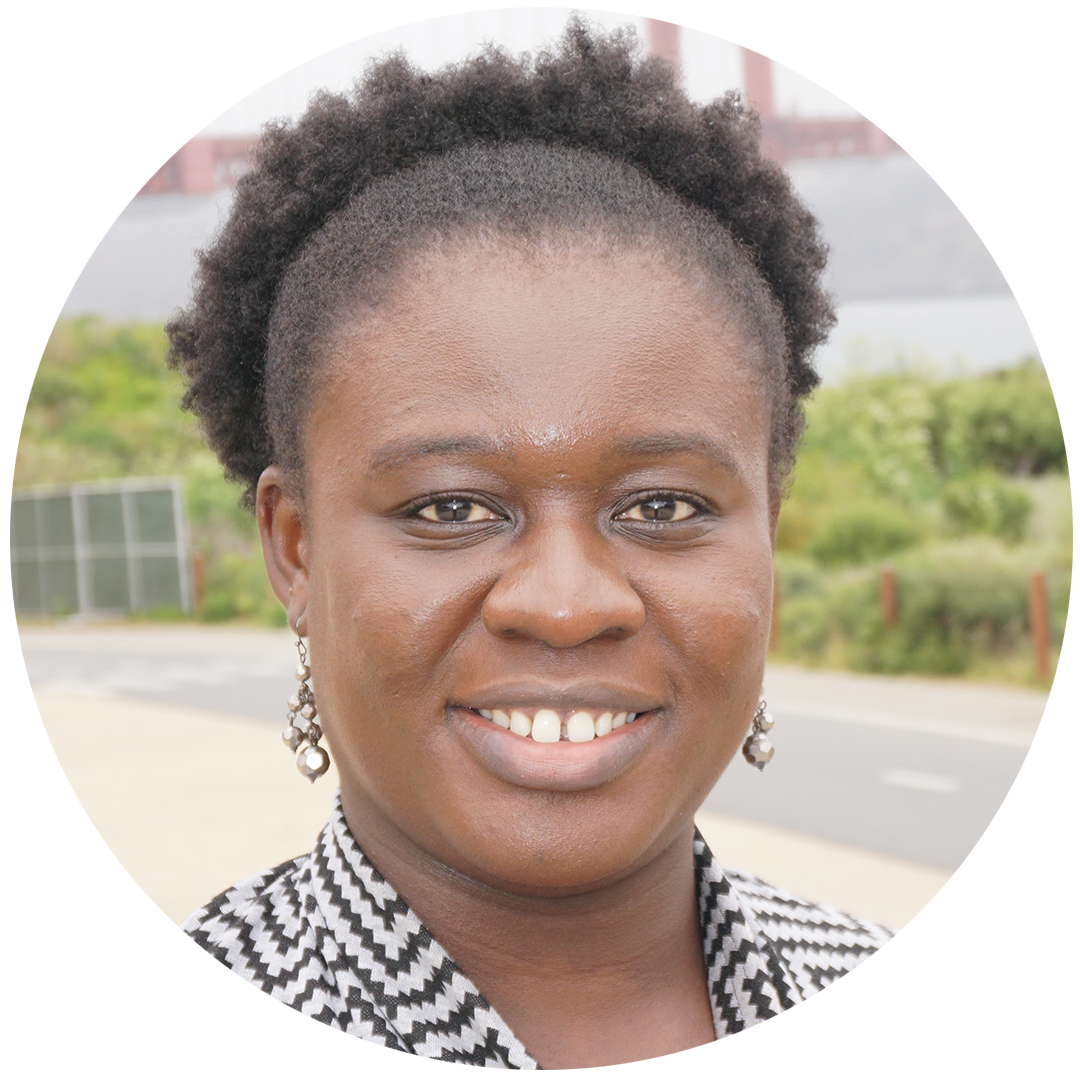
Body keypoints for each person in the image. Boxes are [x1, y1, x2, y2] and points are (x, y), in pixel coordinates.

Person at [10, 22, 1059, 1070]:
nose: (565, 603)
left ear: (768, 534)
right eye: (451, 510)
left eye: (662, 508)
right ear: (295, 547)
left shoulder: (987, 1043)